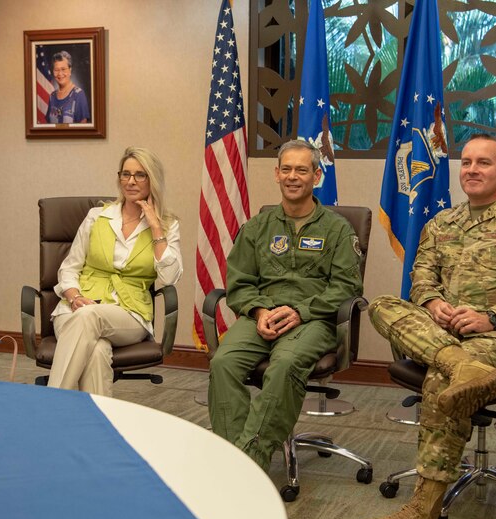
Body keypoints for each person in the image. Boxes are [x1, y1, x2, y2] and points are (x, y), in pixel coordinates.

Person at [358, 134, 496, 519]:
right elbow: (420, 279)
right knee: (383, 305)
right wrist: (434, 304)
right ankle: (461, 365)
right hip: (444, 335)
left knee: (441, 379)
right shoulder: (443, 222)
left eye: (483, 163)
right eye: (467, 162)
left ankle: (424, 509)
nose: (472, 169)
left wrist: (490, 317)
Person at [208, 139, 364, 472]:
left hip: (313, 320)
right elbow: (239, 284)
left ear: (316, 176)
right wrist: (259, 311)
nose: (294, 176)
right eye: (287, 169)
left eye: (302, 170)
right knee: (223, 362)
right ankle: (229, 456)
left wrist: (300, 311)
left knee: (284, 365)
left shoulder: (337, 230)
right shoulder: (256, 228)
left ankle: (251, 462)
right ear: (277, 174)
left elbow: (347, 288)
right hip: (262, 317)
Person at [47, 147, 182, 396]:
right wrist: (75, 297)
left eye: (140, 175)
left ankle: (52, 405)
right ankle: (98, 426)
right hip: (74, 309)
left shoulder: (167, 226)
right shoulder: (96, 217)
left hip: (129, 314)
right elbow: (69, 269)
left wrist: (155, 228)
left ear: (152, 179)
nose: (130, 181)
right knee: (97, 351)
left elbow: (169, 277)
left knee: (90, 316)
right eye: (125, 174)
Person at [45, 50, 90, 124]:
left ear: (70, 70)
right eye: (56, 70)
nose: (60, 73)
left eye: (63, 69)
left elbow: (83, 130)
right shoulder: (52, 97)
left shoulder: (78, 95)